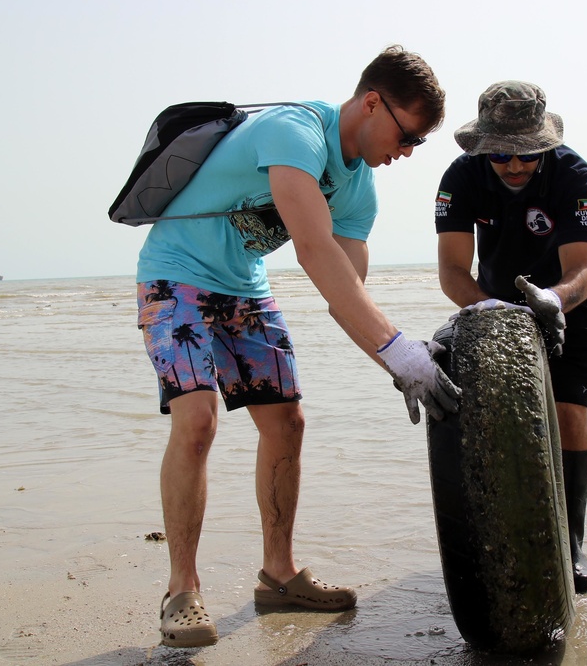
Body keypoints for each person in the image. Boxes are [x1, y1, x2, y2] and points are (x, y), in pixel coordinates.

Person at [135, 45, 460, 648]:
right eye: (407, 134)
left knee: (287, 423)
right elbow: (313, 252)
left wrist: (403, 362)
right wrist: (398, 352)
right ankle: (182, 590)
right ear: (371, 102)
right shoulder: (294, 131)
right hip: (174, 276)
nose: (407, 152)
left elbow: (347, 292)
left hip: (244, 287)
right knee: (199, 420)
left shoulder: (359, 189)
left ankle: (278, 575)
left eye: (418, 143)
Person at [433, 81, 587, 594]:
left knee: (567, 411)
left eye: (527, 156)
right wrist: (493, 310)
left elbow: (582, 270)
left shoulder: (575, 174)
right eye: (501, 155)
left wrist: (551, 301)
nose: (514, 166)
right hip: (491, 304)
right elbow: (451, 270)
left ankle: (571, 542)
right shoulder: (462, 177)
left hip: (569, 304)